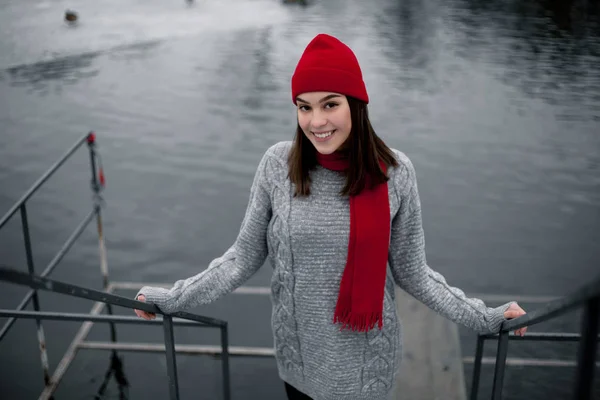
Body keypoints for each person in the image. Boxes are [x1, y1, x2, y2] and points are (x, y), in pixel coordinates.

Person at [134, 33, 527, 400]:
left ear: (356, 103)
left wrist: (487, 318)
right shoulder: (277, 166)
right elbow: (243, 257)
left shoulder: (395, 173)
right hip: (299, 363)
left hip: (365, 371)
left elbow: (414, 274)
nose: (316, 122)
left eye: (330, 104)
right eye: (304, 107)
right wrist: (172, 298)